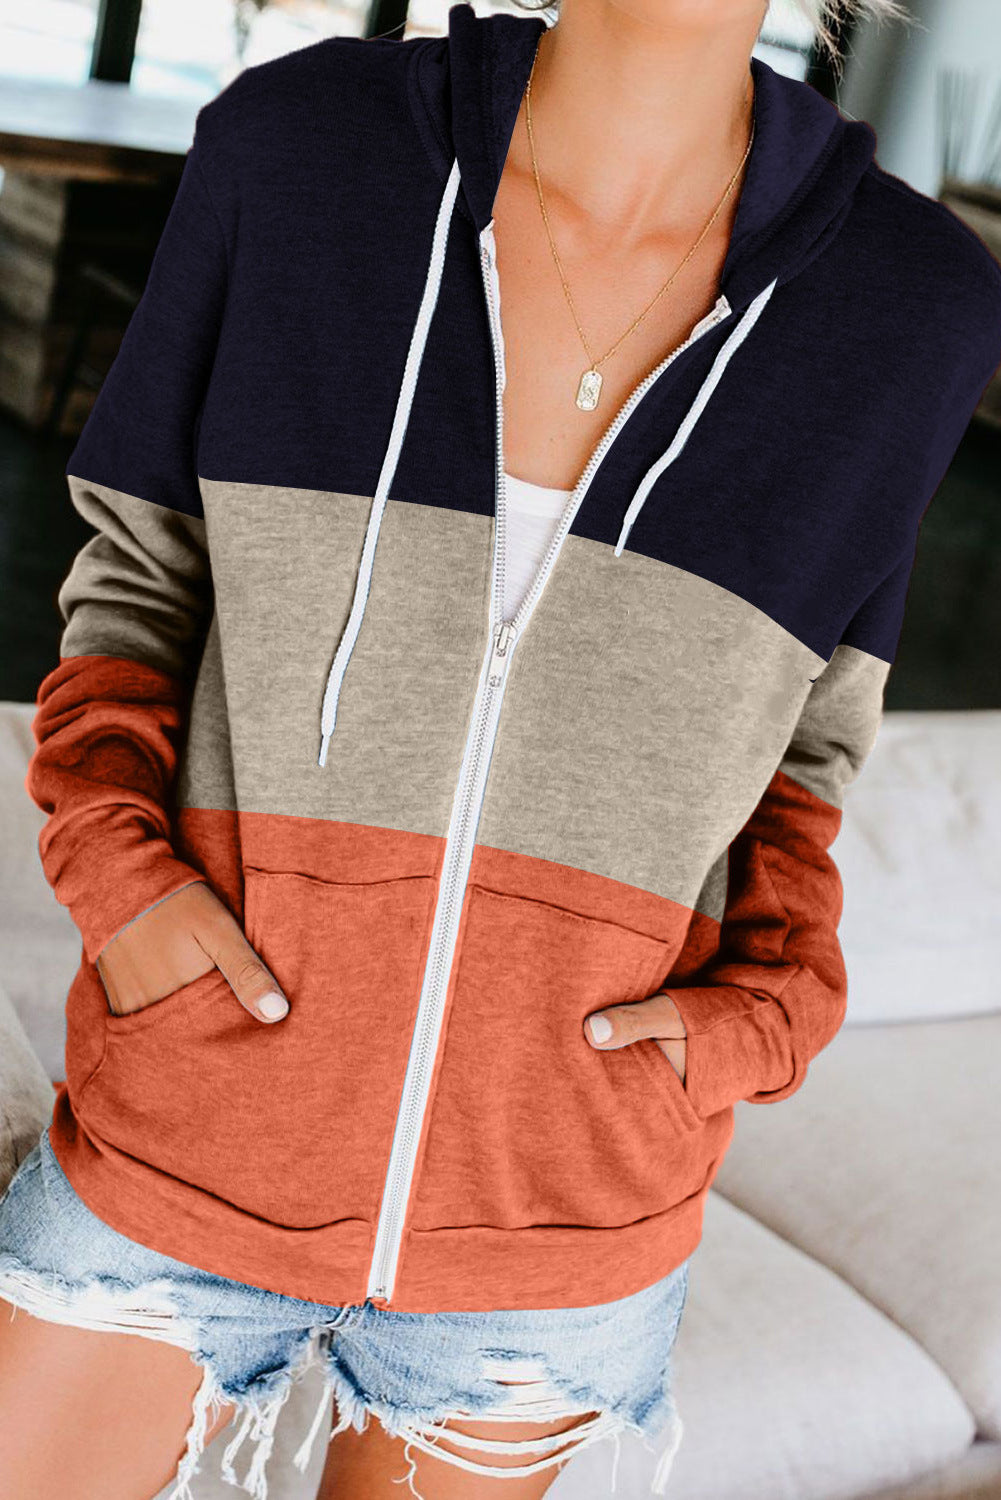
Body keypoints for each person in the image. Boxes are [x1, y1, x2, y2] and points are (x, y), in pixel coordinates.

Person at [2, 0, 1000, 1495]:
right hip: (192, 1127)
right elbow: (141, 580)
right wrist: (123, 885)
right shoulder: (299, 152)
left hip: (560, 1217)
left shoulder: (914, 307)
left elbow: (803, 744)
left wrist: (769, 1007)